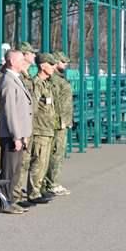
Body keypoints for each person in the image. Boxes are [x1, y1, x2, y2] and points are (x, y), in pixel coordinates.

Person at [0, 49, 32, 215]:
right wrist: (16, 136)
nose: (23, 63)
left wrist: (24, 134)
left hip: (19, 134)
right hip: (12, 135)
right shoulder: (8, 81)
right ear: (11, 61)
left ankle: (11, 200)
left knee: (16, 171)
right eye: (20, 60)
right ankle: (5, 202)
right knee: (9, 170)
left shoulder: (16, 79)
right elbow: (10, 112)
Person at [22, 53, 58, 208]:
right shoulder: (36, 84)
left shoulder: (46, 84)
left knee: (43, 162)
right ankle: (33, 192)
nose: (53, 68)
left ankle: (39, 188)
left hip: (48, 128)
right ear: (43, 66)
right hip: (39, 129)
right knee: (38, 161)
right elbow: (33, 109)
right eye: (50, 65)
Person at [12, 41, 37, 205]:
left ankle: (20, 192)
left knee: (26, 160)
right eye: (31, 53)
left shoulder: (27, 75)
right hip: (19, 125)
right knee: (18, 163)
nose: (34, 55)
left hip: (29, 122)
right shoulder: (16, 76)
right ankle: (15, 194)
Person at [46, 51, 72, 196]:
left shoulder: (60, 79)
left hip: (63, 121)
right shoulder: (54, 80)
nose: (65, 64)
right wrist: (61, 121)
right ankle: (51, 183)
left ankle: (50, 182)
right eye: (63, 62)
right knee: (55, 153)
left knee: (57, 153)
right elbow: (55, 103)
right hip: (57, 122)